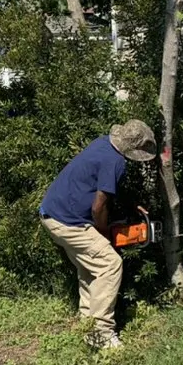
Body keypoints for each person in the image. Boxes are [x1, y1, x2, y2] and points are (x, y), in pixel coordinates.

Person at [40, 120, 157, 349]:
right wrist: (104, 235)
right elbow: (98, 208)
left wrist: (133, 205)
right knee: (110, 263)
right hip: (69, 222)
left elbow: (106, 187)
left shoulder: (102, 144)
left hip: (52, 214)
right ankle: (101, 333)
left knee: (90, 269)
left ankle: (87, 325)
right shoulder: (115, 161)